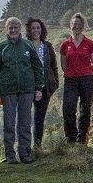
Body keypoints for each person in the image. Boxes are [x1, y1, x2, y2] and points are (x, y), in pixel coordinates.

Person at [0, 17, 45, 163]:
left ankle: (25, 154)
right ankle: (10, 155)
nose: (13, 30)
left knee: (25, 123)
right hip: (8, 91)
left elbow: (38, 68)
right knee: (9, 124)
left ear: (19, 29)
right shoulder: (1, 47)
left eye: (15, 27)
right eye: (10, 28)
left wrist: (38, 88)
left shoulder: (28, 45)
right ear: (6, 29)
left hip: (27, 89)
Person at [58, 12, 93, 144]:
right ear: (70, 25)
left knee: (85, 110)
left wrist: (85, 72)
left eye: (79, 24)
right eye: (74, 24)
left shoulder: (90, 43)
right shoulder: (65, 45)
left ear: (83, 26)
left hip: (87, 80)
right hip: (70, 80)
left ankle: (82, 140)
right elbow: (64, 65)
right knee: (68, 109)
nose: (77, 26)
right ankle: (71, 138)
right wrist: (74, 72)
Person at [27, 17, 60, 150]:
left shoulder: (47, 46)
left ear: (42, 30)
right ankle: (24, 148)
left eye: (38, 28)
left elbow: (54, 66)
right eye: (33, 28)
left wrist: (55, 83)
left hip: (45, 87)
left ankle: (37, 147)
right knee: (25, 119)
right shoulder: (25, 45)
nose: (36, 30)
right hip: (28, 86)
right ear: (29, 30)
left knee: (39, 119)